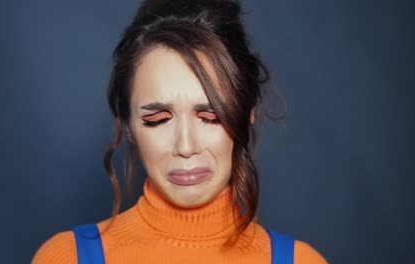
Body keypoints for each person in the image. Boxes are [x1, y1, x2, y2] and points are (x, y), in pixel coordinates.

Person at [32, 0, 327, 263]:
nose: (185, 146)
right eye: (159, 119)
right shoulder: (65, 258)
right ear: (129, 125)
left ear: (246, 113)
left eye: (210, 115)